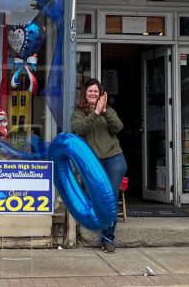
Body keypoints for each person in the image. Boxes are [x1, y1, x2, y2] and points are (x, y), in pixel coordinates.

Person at [71, 77, 126, 253]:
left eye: (96, 91)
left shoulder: (107, 110)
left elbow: (118, 127)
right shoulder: (79, 112)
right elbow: (79, 129)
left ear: (101, 93)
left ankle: (108, 237)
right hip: (92, 161)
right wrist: (94, 113)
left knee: (111, 197)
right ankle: (95, 222)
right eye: (90, 91)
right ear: (84, 94)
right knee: (93, 195)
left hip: (114, 157)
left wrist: (104, 111)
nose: (93, 94)